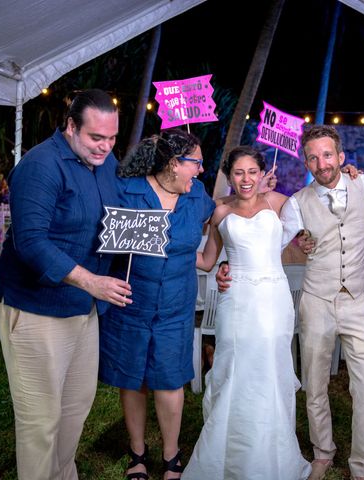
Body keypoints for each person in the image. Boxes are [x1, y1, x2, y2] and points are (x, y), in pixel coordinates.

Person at [217, 125, 364, 480]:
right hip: (316, 300)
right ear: (306, 162)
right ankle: (323, 452)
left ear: (341, 157)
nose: (321, 163)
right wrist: (231, 265)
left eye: (328, 155)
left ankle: (361, 465)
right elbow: (268, 244)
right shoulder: (296, 203)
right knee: (315, 381)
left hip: (358, 300)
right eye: (313, 157)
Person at [0, 89, 132, 480]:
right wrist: (92, 282)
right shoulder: (40, 165)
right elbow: (31, 243)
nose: (105, 147)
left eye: (111, 139)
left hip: (83, 306)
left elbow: (120, 215)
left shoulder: (106, 164)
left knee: (75, 409)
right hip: (37, 306)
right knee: (41, 419)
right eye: (96, 138)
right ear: (71, 126)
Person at [182, 146, 311, 479]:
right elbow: (208, 260)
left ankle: (273, 457)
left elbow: (304, 234)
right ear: (229, 175)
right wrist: (174, 246)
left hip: (272, 299)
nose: (246, 179)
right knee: (235, 369)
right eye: (238, 172)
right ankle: (227, 455)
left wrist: (307, 239)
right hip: (236, 301)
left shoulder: (280, 204)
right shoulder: (220, 212)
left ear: (262, 172)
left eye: (252, 171)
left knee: (269, 369)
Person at [99, 128, 216, 480]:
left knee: (169, 380)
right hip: (131, 304)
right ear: (172, 163)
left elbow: (227, 215)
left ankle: (171, 456)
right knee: (132, 379)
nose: (201, 170)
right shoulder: (127, 190)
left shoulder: (197, 197)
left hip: (175, 306)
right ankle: (137, 452)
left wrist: (217, 261)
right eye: (195, 162)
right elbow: (102, 237)